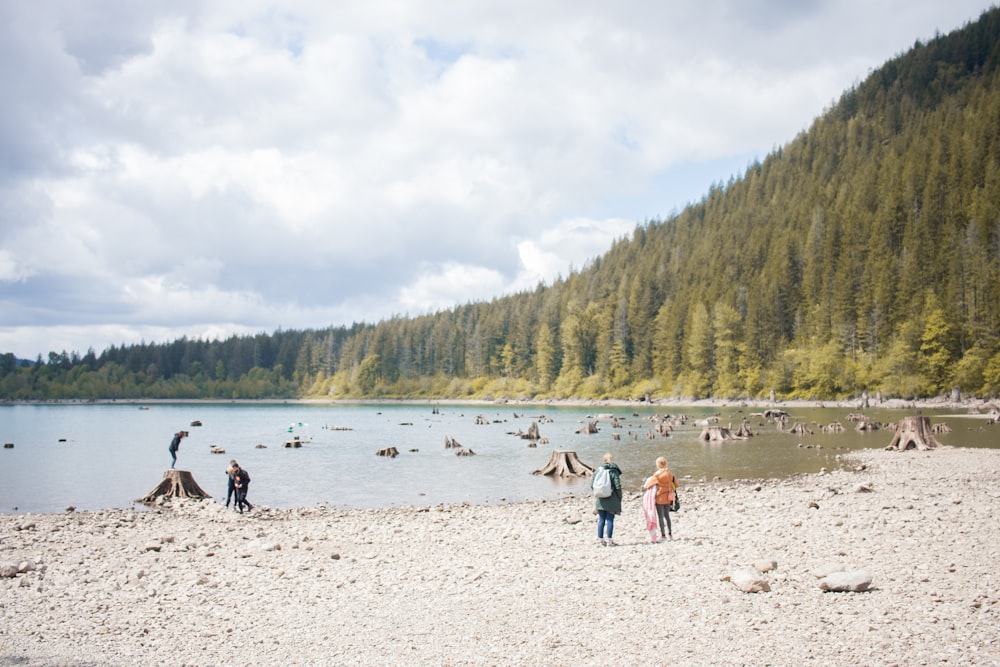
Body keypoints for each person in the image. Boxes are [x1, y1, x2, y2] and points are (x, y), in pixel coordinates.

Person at [643, 456, 678, 541]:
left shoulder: (657, 475)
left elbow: (648, 485)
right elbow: (676, 484)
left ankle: (663, 535)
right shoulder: (670, 473)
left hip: (659, 497)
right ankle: (670, 534)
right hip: (668, 496)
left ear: (658, 464)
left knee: (660, 516)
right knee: (667, 515)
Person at [593, 453, 623, 546]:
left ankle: (601, 540)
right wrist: (619, 497)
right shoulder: (614, 471)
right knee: (610, 519)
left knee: (601, 519)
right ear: (612, 460)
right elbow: (617, 486)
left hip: (600, 498)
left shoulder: (598, 470)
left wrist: (597, 494)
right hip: (612, 498)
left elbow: (592, 484)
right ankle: (610, 540)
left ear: (603, 460)